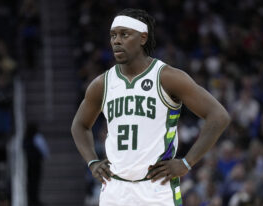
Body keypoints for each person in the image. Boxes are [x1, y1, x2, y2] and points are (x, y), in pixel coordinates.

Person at [71, 8, 230, 206]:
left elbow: (219, 116)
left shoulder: (167, 77)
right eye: (113, 35)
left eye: (124, 34)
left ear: (143, 38)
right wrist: (93, 162)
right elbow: (79, 125)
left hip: (156, 188)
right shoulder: (102, 84)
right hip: (115, 189)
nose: (116, 41)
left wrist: (187, 163)